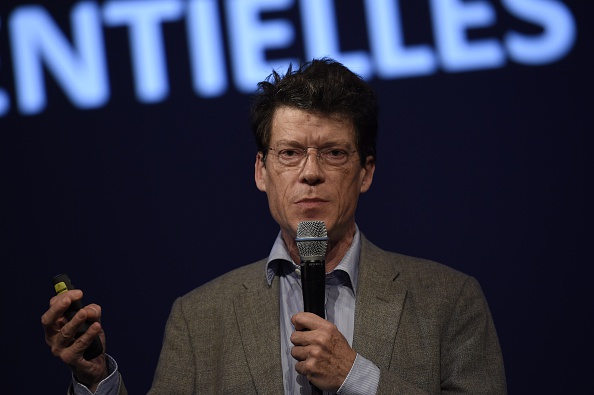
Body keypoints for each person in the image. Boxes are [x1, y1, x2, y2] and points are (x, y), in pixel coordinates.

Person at [42, 58, 507, 394]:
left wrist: (355, 378)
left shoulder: (450, 299)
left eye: (333, 152)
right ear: (261, 172)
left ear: (366, 172)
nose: (310, 172)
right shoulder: (199, 317)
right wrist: (95, 378)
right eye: (290, 153)